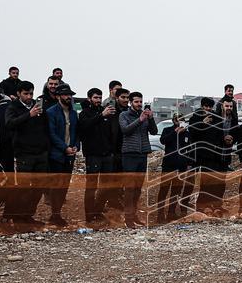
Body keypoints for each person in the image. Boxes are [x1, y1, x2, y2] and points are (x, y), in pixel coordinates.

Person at [5, 81, 50, 228]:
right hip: (24, 153)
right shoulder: (13, 107)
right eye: (26, 93)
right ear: (19, 94)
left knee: (38, 187)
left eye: (31, 93)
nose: (29, 96)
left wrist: (45, 147)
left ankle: (28, 214)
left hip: (40, 152)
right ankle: (18, 217)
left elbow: (45, 127)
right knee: (23, 187)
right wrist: (28, 115)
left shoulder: (38, 107)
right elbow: (10, 123)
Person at [119, 92, 158, 227]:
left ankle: (134, 215)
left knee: (138, 188)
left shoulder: (145, 115)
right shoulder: (124, 115)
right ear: (131, 102)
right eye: (136, 102)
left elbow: (153, 131)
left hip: (142, 154)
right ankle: (128, 218)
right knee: (129, 188)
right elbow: (125, 130)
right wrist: (139, 120)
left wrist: (151, 118)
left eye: (140, 102)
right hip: (129, 154)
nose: (139, 104)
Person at [79, 88, 118, 223]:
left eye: (100, 98)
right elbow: (85, 126)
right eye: (95, 98)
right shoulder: (85, 113)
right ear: (89, 98)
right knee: (91, 186)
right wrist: (101, 115)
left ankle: (98, 210)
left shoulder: (107, 113)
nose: (98, 100)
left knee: (106, 186)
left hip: (107, 154)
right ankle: (89, 215)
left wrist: (111, 149)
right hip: (93, 155)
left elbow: (111, 132)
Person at [187, 97, 229, 214]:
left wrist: (224, 142)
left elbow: (220, 134)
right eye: (206, 107)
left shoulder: (216, 118)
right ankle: (200, 205)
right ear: (202, 106)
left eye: (210, 107)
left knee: (213, 182)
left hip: (214, 154)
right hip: (200, 154)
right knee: (201, 182)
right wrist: (202, 124)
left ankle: (213, 205)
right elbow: (192, 133)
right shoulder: (195, 118)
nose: (208, 109)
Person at [45, 83, 78, 227]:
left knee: (64, 185)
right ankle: (55, 214)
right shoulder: (51, 112)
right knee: (56, 185)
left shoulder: (73, 112)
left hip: (70, 154)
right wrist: (64, 147)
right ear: (58, 96)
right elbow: (51, 134)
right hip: (56, 154)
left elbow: (77, 131)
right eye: (65, 94)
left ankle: (57, 213)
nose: (68, 97)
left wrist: (76, 145)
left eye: (69, 95)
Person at [157, 113, 194, 222]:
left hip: (181, 165)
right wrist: (175, 132)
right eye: (178, 120)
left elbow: (190, 149)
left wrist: (189, 163)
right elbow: (163, 141)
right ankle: (160, 214)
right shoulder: (168, 130)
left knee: (176, 190)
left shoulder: (187, 134)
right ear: (174, 121)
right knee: (164, 189)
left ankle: (171, 213)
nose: (180, 121)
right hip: (169, 164)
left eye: (182, 119)